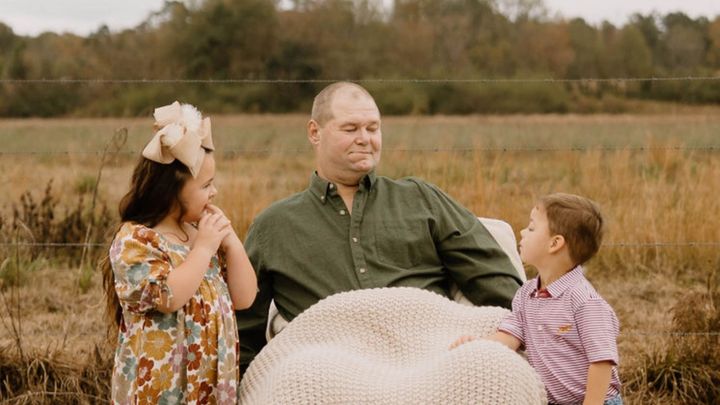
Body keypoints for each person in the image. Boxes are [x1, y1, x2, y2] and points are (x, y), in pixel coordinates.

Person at [236, 82, 523, 371]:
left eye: (372, 128)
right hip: (331, 368)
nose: (364, 139)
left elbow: (498, 281)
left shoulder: (421, 199)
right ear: (314, 132)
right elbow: (242, 332)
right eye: (350, 129)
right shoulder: (273, 226)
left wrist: (516, 333)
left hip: (432, 359)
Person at [102, 101, 257, 403]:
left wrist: (231, 243)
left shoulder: (201, 235)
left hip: (208, 388)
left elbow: (245, 297)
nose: (214, 192)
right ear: (171, 191)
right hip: (159, 390)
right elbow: (169, 297)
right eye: (206, 185)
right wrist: (204, 248)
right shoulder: (137, 240)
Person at [450, 193, 622, 405]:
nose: (522, 232)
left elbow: (601, 363)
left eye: (531, 228)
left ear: (555, 243)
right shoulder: (526, 294)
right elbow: (511, 336)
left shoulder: (585, 302)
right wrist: (478, 347)